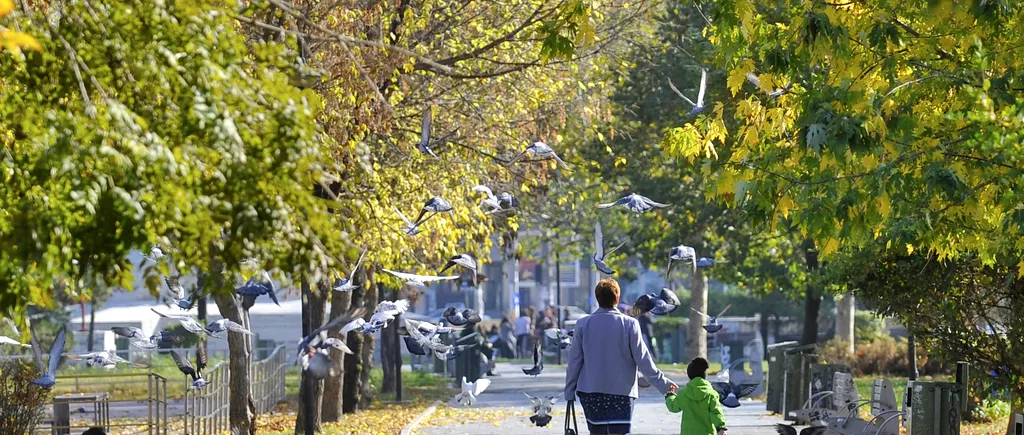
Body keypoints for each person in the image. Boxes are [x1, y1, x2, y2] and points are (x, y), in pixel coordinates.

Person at [564, 279, 676, 435]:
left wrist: (569, 391)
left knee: (597, 432)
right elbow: (644, 360)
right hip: (622, 393)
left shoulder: (583, 324)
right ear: (617, 298)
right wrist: (663, 385)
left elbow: (574, 362)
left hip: (591, 393)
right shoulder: (630, 324)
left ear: (597, 298)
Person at [665, 357, 728, 435]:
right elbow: (716, 412)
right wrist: (721, 428)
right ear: (705, 376)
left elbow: (673, 406)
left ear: (689, 376)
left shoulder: (684, 393)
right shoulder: (711, 394)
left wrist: (670, 395)